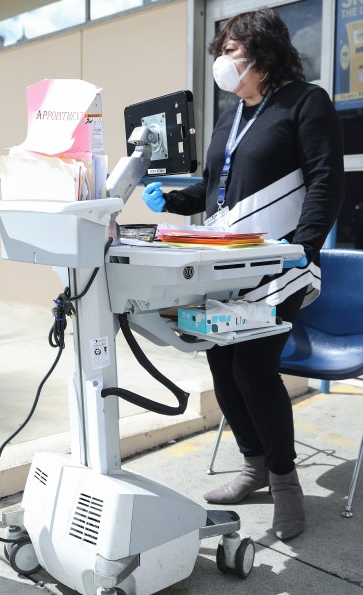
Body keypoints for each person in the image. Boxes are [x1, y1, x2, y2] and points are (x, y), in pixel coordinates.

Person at [142, 8, 344, 540]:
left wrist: (305, 246)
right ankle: (253, 465)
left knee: (254, 368)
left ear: (263, 53)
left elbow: (326, 179)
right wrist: (175, 198)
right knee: (222, 366)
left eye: (230, 51)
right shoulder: (230, 117)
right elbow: (215, 191)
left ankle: (285, 485)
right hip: (226, 269)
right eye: (220, 52)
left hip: (282, 268)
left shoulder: (305, 102)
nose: (222, 62)